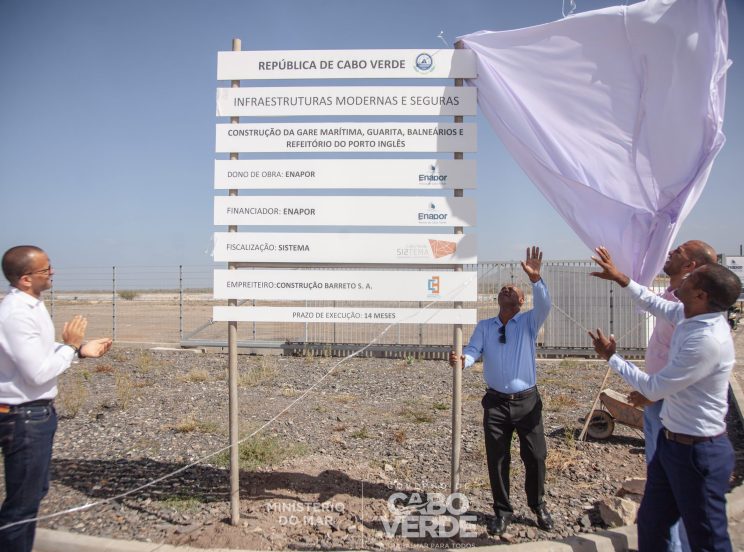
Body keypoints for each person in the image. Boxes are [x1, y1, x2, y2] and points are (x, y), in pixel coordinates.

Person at [589, 246, 740, 552]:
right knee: (652, 524)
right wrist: (620, 277)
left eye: (692, 278)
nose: (684, 278)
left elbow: (654, 388)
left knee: (707, 540)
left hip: (698, 454)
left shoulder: (706, 341)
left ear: (701, 295)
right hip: (673, 446)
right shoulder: (690, 314)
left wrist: (612, 358)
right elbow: (654, 303)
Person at [0, 245, 112, 552]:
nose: (52, 272)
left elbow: (37, 353)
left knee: (32, 495)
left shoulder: (31, 306)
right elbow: (37, 374)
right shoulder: (16, 314)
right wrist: (71, 346)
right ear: (25, 279)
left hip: (32, 415)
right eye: (45, 269)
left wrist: (80, 351)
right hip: (23, 417)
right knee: (22, 507)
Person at [449, 246, 553, 536]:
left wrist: (535, 279)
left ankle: (538, 505)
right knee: (497, 460)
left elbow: (545, 304)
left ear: (521, 301)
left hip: (527, 403)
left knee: (536, 456)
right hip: (495, 404)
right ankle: (502, 512)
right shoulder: (485, 326)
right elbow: (473, 350)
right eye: (503, 289)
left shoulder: (529, 322)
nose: (506, 289)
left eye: (512, 289)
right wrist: (464, 360)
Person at [627, 240, 716, 552]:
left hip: (669, 406)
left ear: (690, 266)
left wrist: (653, 393)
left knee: (679, 489)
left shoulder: (692, 310)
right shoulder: (671, 297)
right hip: (656, 402)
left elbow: (686, 365)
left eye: (678, 251)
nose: (670, 252)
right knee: (662, 484)